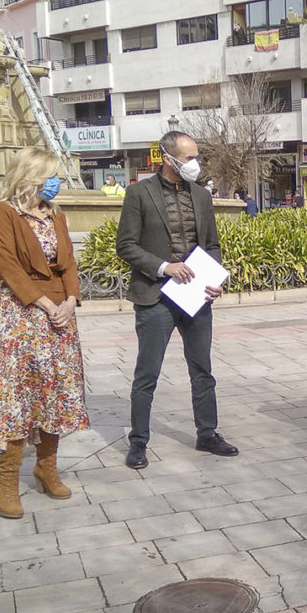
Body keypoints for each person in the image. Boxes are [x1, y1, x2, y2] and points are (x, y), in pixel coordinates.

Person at [116, 130, 238, 470]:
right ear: (167, 159)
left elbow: (211, 245)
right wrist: (164, 267)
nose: (194, 164)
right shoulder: (138, 194)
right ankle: (138, 441)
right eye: (188, 158)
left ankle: (207, 434)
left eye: (195, 157)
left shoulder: (201, 196)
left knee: (202, 370)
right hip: (155, 297)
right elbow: (126, 245)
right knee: (147, 373)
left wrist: (215, 281)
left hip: (196, 297)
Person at [0, 147, 90, 519]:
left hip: (60, 316)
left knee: (56, 392)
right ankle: (8, 481)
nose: (55, 181)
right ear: (30, 176)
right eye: (50, 174)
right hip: (22, 315)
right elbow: (8, 266)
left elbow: (69, 263)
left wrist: (72, 300)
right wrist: (46, 304)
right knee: (18, 397)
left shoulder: (55, 214)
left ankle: (46, 468)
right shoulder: (3, 213)